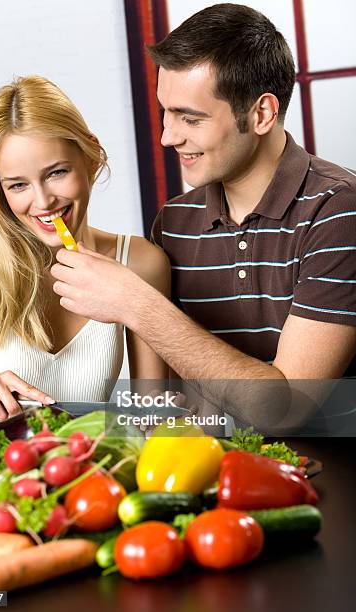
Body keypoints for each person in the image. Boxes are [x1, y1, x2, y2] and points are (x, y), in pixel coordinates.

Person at [50, 3, 356, 433]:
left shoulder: (338, 211)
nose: (167, 136)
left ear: (262, 114)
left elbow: (286, 409)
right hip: (208, 480)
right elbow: (172, 404)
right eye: (165, 111)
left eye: (189, 118)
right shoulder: (173, 223)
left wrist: (135, 304)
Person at [0, 75, 170, 443]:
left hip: (90, 491)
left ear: (91, 156)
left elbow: (152, 412)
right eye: (18, 184)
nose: (43, 201)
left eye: (57, 173)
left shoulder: (140, 264)